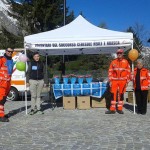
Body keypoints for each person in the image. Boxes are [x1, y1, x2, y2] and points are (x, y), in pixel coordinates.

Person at [105, 49, 131, 114]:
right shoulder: (113, 62)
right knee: (113, 94)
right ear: (117, 54)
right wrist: (110, 80)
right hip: (114, 81)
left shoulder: (126, 62)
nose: (119, 54)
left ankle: (119, 109)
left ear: (122, 54)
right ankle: (112, 109)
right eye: (118, 53)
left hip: (123, 81)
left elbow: (128, 72)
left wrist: (127, 81)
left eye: (120, 53)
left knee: (121, 95)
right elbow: (110, 71)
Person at [0, 48, 14, 122]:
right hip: (1, 83)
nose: (10, 53)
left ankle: (1, 113)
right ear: (5, 51)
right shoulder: (1, 59)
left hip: (8, 83)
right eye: (8, 51)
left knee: (4, 99)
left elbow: (10, 72)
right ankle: (1, 116)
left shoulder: (11, 60)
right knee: (1, 99)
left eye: (11, 52)